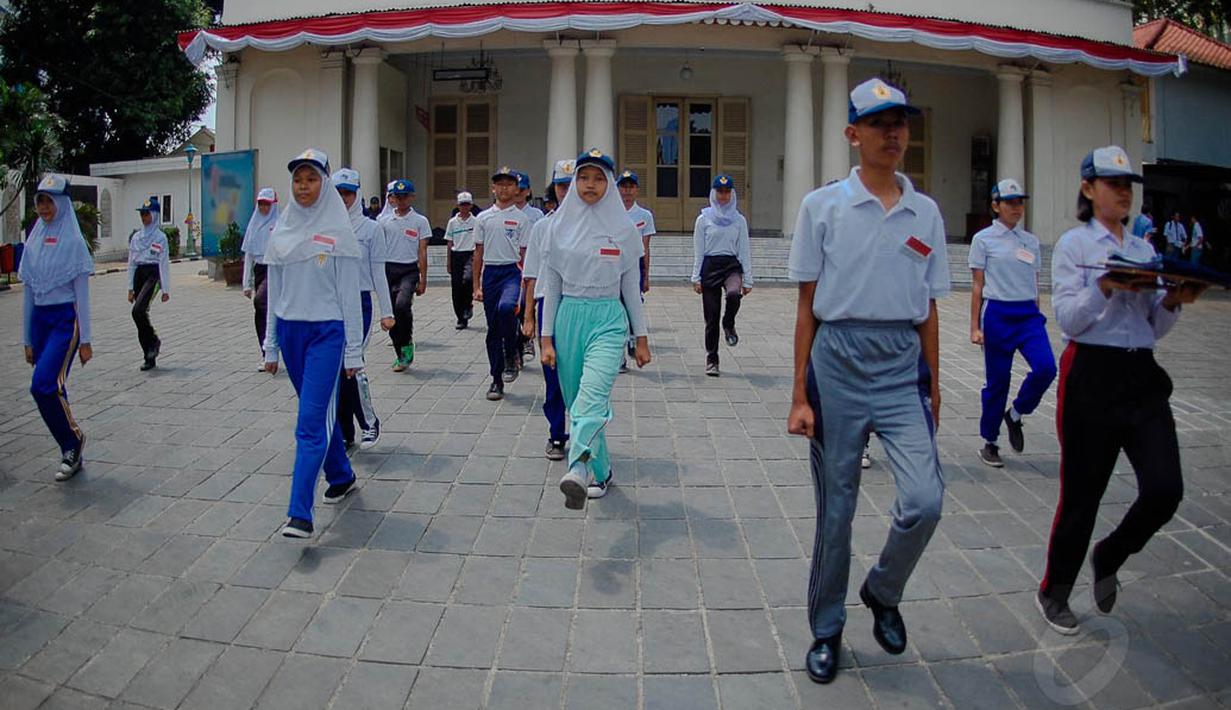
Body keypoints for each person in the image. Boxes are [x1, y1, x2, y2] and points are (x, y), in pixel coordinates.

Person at [786, 78, 949, 685]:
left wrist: (935, 384)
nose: (892, 133)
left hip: (902, 364)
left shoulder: (925, 212)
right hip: (838, 361)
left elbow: (930, 307)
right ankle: (827, 629)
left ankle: (883, 590)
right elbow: (806, 304)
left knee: (925, 501)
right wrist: (799, 394)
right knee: (838, 510)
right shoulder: (822, 207)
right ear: (853, 134)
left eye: (900, 122)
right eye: (879, 123)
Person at [1038, 145, 1205, 633]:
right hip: (1092, 373)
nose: (1123, 193)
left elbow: (1153, 328)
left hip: (1140, 375)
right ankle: (1055, 590)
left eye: (1128, 185)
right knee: (1083, 494)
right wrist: (1106, 286)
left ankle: (1111, 553)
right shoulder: (1074, 246)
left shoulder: (1145, 250)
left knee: (1165, 488)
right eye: (1113, 184)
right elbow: (1069, 319)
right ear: (1088, 189)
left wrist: (1173, 301)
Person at [262, 149, 364, 539]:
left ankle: (299, 513)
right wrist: (271, 345)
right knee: (318, 414)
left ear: (325, 184)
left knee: (308, 423)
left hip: (326, 334)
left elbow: (350, 297)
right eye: (298, 180)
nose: (304, 187)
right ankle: (341, 474)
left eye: (312, 179)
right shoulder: (281, 231)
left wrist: (353, 351)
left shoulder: (339, 233)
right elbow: (275, 294)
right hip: (292, 334)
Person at [540, 149, 650, 509]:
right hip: (569, 317)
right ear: (574, 182)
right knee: (578, 402)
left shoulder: (624, 231)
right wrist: (546, 339)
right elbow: (551, 287)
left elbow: (631, 289)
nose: (591, 185)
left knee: (591, 397)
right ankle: (600, 472)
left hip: (608, 320)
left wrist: (641, 338)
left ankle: (577, 467)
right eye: (584, 177)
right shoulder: (557, 228)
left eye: (599, 178)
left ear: (610, 185)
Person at [968, 178, 1056, 467]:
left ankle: (1016, 413)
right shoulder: (983, 239)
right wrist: (975, 327)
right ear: (996, 206)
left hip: (1028, 315)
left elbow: (1034, 281)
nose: (1017, 208)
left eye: (1020, 203)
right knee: (998, 382)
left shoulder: (1030, 241)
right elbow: (978, 286)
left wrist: (1037, 313)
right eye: (1010, 203)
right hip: (997, 314)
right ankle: (990, 441)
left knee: (1046, 368)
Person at [21, 174, 94, 481]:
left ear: (62, 203)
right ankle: (71, 447)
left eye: (49, 201)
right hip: (40, 321)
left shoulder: (74, 243)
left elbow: (82, 296)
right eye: (40, 201)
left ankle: (72, 442)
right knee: (53, 387)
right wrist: (27, 338)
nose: (44, 208)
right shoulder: (34, 239)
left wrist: (86, 339)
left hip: (65, 321)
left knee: (42, 385)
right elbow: (28, 292)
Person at [333, 168, 395, 451]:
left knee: (353, 364)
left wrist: (387, 311)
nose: (343, 198)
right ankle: (344, 432)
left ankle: (369, 422)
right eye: (338, 193)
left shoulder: (371, 229)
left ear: (357, 194)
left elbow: (379, 273)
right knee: (336, 370)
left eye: (348, 193)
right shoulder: (326, 227)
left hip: (359, 303)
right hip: (331, 304)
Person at [522, 159, 575, 461]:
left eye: (571, 185)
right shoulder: (542, 227)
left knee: (582, 376)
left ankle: (584, 433)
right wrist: (529, 316)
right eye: (561, 186)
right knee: (552, 375)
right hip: (548, 305)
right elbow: (531, 275)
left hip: (581, 305)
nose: (566, 192)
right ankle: (557, 433)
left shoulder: (596, 227)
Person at [474, 166, 531, 400]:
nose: (504, 188)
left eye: (509, 184)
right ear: (493, 188)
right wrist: (476, 285)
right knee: (493, 329)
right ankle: (496, 379)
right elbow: (478, 253)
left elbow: (525, 254)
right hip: (491, 274)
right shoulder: (483, 218)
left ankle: (512, 351)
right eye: (500, 184)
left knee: (507, 308)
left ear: (516, 188)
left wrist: (527, 284)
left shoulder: (522, 218)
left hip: (512, 272)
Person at [691, 174, 753, 376]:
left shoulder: (739, 220)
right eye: (720, 192)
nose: (723, 196)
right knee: (711, 318)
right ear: (714, 193)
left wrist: (748, 278)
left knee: (734, 294)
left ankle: (729, 323)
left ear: (732, 194)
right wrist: (696, 277)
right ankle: (712, 359)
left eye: (727, 192)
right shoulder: (703, 219)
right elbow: (699, 250)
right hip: (710, 266)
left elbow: (744, 250)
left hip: (731, 266)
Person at [379, 179, 430, 371]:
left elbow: (422, 251)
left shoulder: (420, 221)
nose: (401, 200)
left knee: (402, 305)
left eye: (404, 197)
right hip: (389, 269)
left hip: (409, 270)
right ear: (392, 198)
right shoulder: (383, 222)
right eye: (397, 197)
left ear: (412, 197)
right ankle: (400, 353)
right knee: (390, 313)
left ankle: (407, 341)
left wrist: (423, 279)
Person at [618, 169, 657, 372]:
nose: (627, 191)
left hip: (635, 265)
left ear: (637, 190)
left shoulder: (644, 215)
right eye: (623, 187)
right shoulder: (610, 213)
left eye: (631, 187)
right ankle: (619, 356)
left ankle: (633, 339)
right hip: (614, 266)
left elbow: (645, 248)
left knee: (633, 306)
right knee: (616, 310)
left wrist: (646, 276)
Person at [127, 197, 171, 371]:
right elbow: (131, 263)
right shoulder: (136, 237)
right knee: (140, 315)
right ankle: (149, 354)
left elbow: (163, 264)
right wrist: (130, 288)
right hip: (139, 273)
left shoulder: (161, 238)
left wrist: (165, 289)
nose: (144, 218)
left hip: (153, 276)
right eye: (142, 214)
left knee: (138, 311)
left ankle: (153, 341)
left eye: (147, 214)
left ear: (155, 215)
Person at [242, 188, 279, 369]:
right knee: (261, 311)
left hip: (274, 270)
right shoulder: (254, 224)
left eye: (267, 204)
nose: (264, 208)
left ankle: (274, 346)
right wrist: (246, 284)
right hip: (259, 270)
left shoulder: (279, 224)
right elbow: (249, 255)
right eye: (261, 204)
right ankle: (266, 352)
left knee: (261, 302)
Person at [445, 191, 478, 329]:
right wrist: (448, 262)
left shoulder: (476, 221)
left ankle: (468, 304)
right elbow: (449, 242)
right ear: (458, 206)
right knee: (457, 288)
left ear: (471, 205)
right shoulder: (452, 222)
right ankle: (461, 318)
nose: (464, 207)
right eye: (462, 205)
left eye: (467, 204)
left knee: (468, 279)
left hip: (470, 254)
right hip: (456, 255)